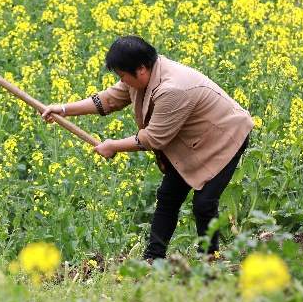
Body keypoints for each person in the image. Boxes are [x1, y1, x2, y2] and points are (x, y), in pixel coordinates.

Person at [40, 36, 253, 262]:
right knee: (168, 196)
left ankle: (209, 259)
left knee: (204, 203)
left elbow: (153, 138)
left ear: (141, 69)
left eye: (122, 76)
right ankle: (153, 258)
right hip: (192, 140)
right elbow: (109, 99)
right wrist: (63, 109)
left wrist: (113, 146)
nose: (122, 81)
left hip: (225, 137)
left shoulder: (173, 89)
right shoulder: (145, 73)